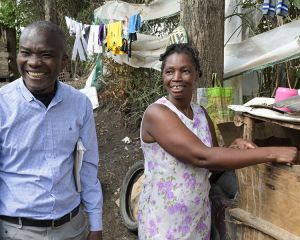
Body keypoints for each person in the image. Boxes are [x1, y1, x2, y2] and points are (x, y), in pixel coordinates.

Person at [137, 43, 298, 240]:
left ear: (197, 74)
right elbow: (201, 156)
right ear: (163, 76)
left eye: (185, 71)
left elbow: (213, 166)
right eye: (170, 71)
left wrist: (233, 149)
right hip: (164, 224)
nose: (176, 78)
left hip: (197, 219)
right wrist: (273, 152)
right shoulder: (157, 113)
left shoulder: (200, 114)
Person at [0, 21, 103, 240]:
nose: (34, 62)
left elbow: (88, 167)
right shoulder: (2, 105)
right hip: (16, 231)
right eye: (26, 53)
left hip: (71, 228)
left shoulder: (79, 104)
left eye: (46, 55)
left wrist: (95, 224)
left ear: (63, 61)